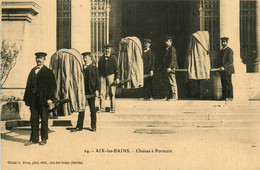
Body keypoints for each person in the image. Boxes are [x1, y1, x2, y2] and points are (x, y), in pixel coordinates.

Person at [23, 52, 56, 146]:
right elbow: (28, 86)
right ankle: (34, 139)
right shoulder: (32, 71)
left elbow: (52, 86)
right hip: (33, 100)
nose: (38, 60)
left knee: (44, 119)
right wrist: (27, 99)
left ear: (44, 59)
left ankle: (44, 138)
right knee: (33, 119)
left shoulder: (48, 72)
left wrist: (50, 98)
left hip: (43, 100)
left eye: (40, 58)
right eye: (37, 58)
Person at [71, 52, 100, 132]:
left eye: (86, 57)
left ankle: (93, 126)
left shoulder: (95, 68)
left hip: (91, 92)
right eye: (84, 58)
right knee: (81, 110)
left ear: (90, 58)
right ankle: (79, 126)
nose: (85, 59)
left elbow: (98, 80)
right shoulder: (81, 69)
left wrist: (97, 90)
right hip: (82, 92)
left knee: (92, 110)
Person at [98, 44, 120, 113]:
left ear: (110, 50)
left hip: (111, 76)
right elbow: (99, 69)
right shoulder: (101, 58)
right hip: (103, 76)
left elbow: (117, 69)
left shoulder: (113, 58)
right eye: (106, 49)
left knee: (112, 93)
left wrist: (117, 77)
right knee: (102, 92)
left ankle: (113, 108)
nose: (107, 50)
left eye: (108, 49)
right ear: (104, 50)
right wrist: (99, 77)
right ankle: (102, 108)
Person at [164, 36, 178, 101]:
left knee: (172, 82)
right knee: (169, 82)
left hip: (171, 68)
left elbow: (172, 59)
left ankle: (174, 96)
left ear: (171, 42)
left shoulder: (172, 49)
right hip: (168, 67)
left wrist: (170, 67)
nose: (166, 42)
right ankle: (169, 96)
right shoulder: (168, 49)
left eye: (168, 41)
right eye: (166, 41)